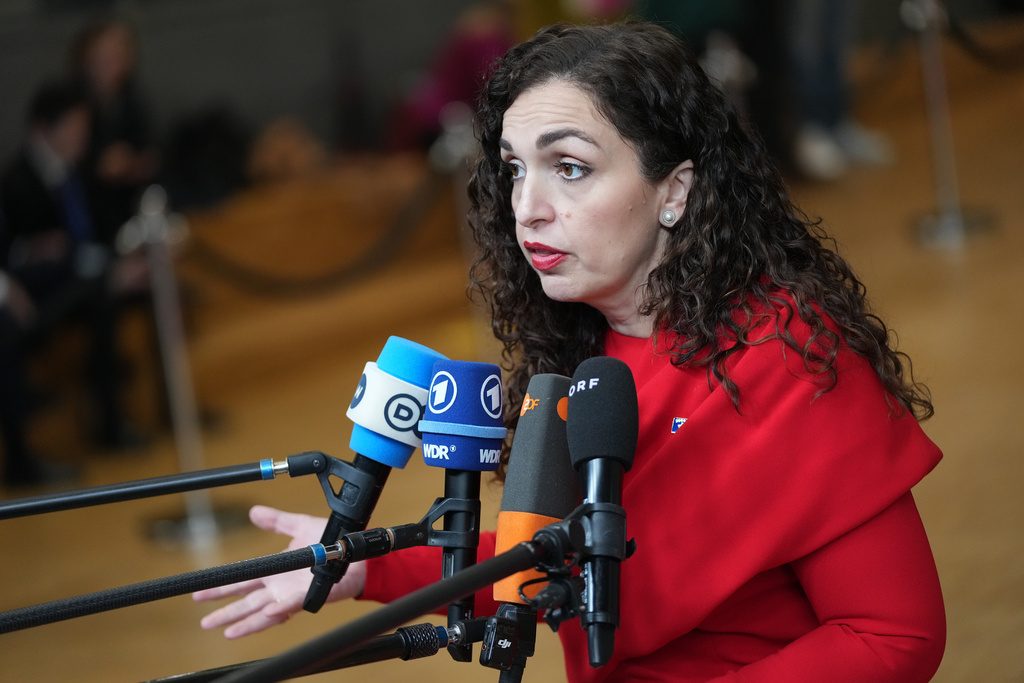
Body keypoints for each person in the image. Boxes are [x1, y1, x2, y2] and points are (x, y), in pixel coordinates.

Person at [193, 21, 945, 682]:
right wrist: (369, 565)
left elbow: (894, 636)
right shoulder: (582, 349)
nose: (527, 208)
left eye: (570, 168)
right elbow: (553, 556)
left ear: (674, 191)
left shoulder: (788, 356)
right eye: (516, 169)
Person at [0, 78, 147, 451]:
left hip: (84, 283)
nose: (83, 137)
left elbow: (98, 233)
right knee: (101, 293)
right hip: (37, 299)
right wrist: (29, 253)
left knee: (141, 289)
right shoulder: (15, 182)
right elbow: (17, 254)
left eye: (85, 129)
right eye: (75, 128)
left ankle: (140, 415)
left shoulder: (79, 172)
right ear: (43, 129)